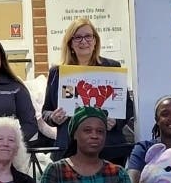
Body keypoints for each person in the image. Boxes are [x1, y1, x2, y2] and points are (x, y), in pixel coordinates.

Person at [41, 18, 135, 162]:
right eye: (77, 37)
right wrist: (53, 117)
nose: (83, 41)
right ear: (70, 43)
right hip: (69, 150)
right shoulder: (57, 72)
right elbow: (46, 110)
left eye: (88, 36)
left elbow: (127, 107)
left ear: (95, 41)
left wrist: (116, 122)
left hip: (108, 149)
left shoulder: (112, 68)